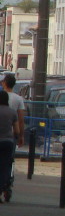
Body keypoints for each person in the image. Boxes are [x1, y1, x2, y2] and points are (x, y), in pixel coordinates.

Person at [2, 73, 26, 201]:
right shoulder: (18, 99)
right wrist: (21, 135)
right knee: (9, 161)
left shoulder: (2, 97)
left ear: (5, 83)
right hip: (11, 136)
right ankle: (7, 184)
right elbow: (21, 119)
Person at [0, 90, 21, 203]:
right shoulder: (12, 112)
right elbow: (17, 130)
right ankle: (4, 186)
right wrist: (17, 137)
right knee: (5, 166)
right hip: (7, 142)